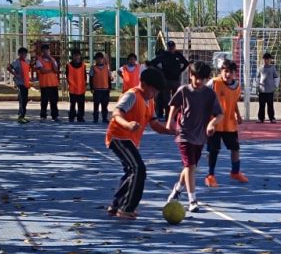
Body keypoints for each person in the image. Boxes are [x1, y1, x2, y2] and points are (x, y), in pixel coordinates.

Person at [104, 68, 175, 220]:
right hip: (119, 137)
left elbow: (154, 124)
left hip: (131, 141)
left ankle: (116, 205)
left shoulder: (150, 101)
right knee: (138, 169)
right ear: (143, 83)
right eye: (153, 90)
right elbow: (116, 113)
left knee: (131, 172)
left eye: (157, 92)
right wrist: (127, 125)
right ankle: (126, 208)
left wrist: (169, 131)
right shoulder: (132, 95)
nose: (155, 94)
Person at [167, 61, 221, 213]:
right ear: (190, 75)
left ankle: (178, 188)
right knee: (190, 166)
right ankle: (192, 200)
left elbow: (220, 114)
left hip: (200, 135)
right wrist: (170, 120)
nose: (198, 81)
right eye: (196, 77)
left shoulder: (210, 94)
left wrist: (212, 123)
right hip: (183, 133)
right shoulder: (184, 90)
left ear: (207, 79)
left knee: (190, 166)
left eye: (202, 78)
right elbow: (174, 105)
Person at [205, 60, 249, 187]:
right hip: (214, 123)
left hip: (229, 123)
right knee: (214, 150)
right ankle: (210, 175)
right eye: (225, 71)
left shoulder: (237, 86)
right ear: (221, 72)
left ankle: (235, 172)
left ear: (235, 73)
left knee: (235, 148)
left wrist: (238, 115)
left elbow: (233, 102)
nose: (228, 74)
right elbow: (203, 95)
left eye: (230, 72)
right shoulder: (214, 83)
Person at [149, 40, 190, 119]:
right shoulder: (164, 55)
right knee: (166, 99)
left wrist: (180, 71)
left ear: (174, 47)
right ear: (167, 47)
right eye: (169, 47)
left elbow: (186, 63)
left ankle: (175, 116)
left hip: (176, 80)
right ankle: (168, 116)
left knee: (177, 99)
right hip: (166, 80)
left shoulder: (178, 55)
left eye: (172, 47)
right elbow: (153, 63)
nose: (171, 48)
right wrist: (161, 70)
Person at [6, 47, 32, 123]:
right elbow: (9, 67)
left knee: (25, 100)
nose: (24, 55)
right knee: (22, 100)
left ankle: (23, 116)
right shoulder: (17, 62)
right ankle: (20, 116)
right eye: (22, 53)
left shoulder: (26, 61)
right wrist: (15, 74)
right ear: (19, 54)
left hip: (26, 84)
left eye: (25, 54)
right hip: (20, 83)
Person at [35, 44, 60, 121]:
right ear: (42, 51)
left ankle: (55, 116)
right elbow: (42, 71)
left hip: (53, 84)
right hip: (45, 84)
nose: (46, 52)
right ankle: (43, 116)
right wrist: (50, 70)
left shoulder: (53, 60)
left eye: (47, 50)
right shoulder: (39, 60)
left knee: (54, 101)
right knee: (44, 101)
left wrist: (50, 59)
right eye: (44, 51)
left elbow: (56, 70)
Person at [90, 52, 114, 123]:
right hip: (96, 89)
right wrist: (91, 88)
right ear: (95, 60)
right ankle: (95, 118)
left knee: (105, 105)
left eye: (101, 59)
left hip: (105, 89)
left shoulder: (107, 67)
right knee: (96, 104)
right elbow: (91, 78)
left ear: (103, 59)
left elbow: (109, 78)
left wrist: (109, 87)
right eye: (98, 59)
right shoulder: (93, 67)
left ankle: (104, 118)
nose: (99, 60)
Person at [257, 52, 279, 123]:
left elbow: (276, 77)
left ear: (270, 60)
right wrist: (257, 86)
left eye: (268, 59)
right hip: (262, 90)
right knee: (261, 105)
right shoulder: (260, 68)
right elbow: (257, 78)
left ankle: (272, 118)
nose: (266, 60)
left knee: (270, 105)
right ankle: (261, 118)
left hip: (270, 90)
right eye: (265, 59)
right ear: (263, 60)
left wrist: (276, 86)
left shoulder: (273, 68)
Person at [66, 49, 87, 123]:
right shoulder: (68, 65)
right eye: (75, 55)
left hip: (81, 88)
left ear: (80, 56)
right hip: (73, 89)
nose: (76, 57)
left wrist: (84, 85)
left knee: (81, 104)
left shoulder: (83, 66)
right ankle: (71, 116)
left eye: (78, 55)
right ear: (72, 56)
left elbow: (85, 77)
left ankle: (80, 117)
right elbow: (67, 76)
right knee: (73, 104)